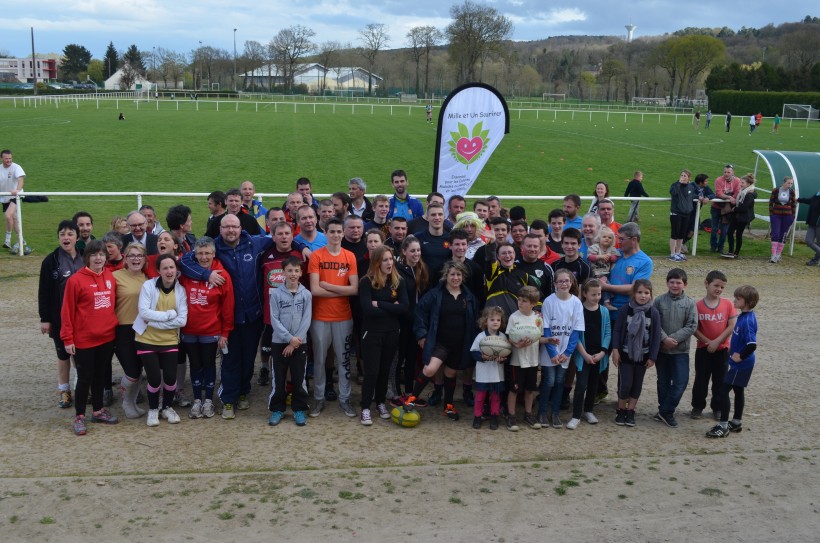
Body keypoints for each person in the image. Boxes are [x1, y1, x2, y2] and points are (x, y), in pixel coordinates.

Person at [179, 213, 275, 419]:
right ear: (220, 229)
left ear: (241, 228)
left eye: (234, 226)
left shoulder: (255, 243)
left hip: (253, 315)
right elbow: (185, 262)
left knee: (249, 358)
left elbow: (281, 238)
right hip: (228, 318)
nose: (230, 230)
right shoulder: (213, 247)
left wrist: (302, 247)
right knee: (230, 359)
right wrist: (206, 274)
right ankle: (228, 399)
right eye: (226, 227)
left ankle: (243, 392)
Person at [407, 260, 479, 422]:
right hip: (439, 342)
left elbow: (475, 320)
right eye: (452, 274)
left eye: (458, 274)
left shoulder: (469, 297)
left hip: (459, 343)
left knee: (451, 373)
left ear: (463, 277)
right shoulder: (435, 294)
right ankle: (411, 399)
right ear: (446, 276)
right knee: (431, 369)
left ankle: (448, 405)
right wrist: (422, 335)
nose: (455, 277)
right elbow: (420, 313)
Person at [60, 240, 119, 435]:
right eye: (94, 254)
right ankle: (79, 416)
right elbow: (67, 312)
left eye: (102, 254)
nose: (98, 258)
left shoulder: (110, 276)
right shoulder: (75, 280)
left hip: (107, 337)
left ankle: (98, 410)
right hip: (84, 339)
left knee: (100, 375)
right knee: (85, 378)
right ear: (87, 257)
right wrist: (67, 339)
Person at [308, 218, 359, 418]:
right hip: (320, 316)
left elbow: (354, 289)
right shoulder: (316, 256)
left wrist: (328, 286)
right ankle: (319, 398)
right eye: (332, 232)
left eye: (339, 231)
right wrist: (342, 291)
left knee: (344, 359)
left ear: (343, 233)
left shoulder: (350, 256)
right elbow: (314, 290)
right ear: (325, 233)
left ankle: (345, 398)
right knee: (320, 359)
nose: (336, 235)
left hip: (343, 317)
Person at [179, 237, 234, 419]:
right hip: (189, 330)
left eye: (207, 253)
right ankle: (197, 400)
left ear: (214, 254)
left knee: (209, 364)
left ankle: (209, 400)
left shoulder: (222, 275)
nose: (203, 257)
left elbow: (227, 306)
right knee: (194, 365)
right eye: (200, 253)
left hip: (211, 331)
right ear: (194, 254)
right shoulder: (187, 274)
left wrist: (225, 332)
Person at [358, 246, 408, 425]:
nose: (389, 263)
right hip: (372, 333)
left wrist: (380, 303)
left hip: (392, 332)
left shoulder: (398, 281)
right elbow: (368, 310)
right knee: (372, 372)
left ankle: (380, 402)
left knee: (385, 371)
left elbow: (404, 307)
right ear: (377, 262)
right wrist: (391, 306)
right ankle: (365, 407)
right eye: (385, 260)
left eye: (391, 259)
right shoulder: (366, 281)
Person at [136, 254, 188, 427]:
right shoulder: (148, 286)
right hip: (146, 339)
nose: (169, 271)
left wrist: (155, 322)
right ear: (158, 271)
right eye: (165, 268)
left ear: (176, 270)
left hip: (169, 341)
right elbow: (143, 312)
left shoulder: (180, 290)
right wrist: (168, 315)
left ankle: (166, 407)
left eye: (172, 267)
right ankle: (153, 409)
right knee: (155, 378)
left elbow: (182, 320)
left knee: (171, 378)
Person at [38, 220, 85, 409]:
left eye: (70, 234)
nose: (66, 238)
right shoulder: (51, 261)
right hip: (60, 318)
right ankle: (64, 390)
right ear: (58, 237)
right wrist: (45, 318)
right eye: (62, 234)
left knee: (81, 354)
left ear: (76, 237)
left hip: (82, 317)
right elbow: (44, 291)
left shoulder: (85, 257)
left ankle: (81, 385)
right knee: (63, 354)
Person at [706, 285, 758, 438]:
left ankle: (723, 426)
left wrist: (740, 356)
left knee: (722, 392)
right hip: (741, 364)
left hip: (741, 365)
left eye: (738, 299)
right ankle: (736, 422)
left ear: (747, 302)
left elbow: (752, 344)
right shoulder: (743, 315)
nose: (734, 300)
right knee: (738, 390)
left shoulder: (747, 320)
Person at [259, 221, 306, 387]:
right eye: (280, 234)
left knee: (294, 351)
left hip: (295, 315)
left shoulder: (301, 257)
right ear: (273, 237)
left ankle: (293, 386)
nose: (284, 237)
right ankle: (277, 384)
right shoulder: (265, 255)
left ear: (293, 236)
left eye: (287, 233)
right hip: (271, 315)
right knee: (275, 352)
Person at [267, 256, 312, 427]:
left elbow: (307, 320)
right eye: (289, 271)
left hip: (300, 343)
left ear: (301, 273)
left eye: (296, 271)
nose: (293, 274)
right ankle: (277, 409)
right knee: (279, 379)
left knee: (299, 378)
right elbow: (274, 320)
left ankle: (299, 408)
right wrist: (288, 339)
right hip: (279, 343)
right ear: (283, 272)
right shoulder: (276, 294)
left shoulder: (306, 294)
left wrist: (294, 342)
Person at [611, 279, 661, 427]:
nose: (643, 296)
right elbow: (617, 330)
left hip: (643, 355)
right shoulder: (625, 310)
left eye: (646, 293)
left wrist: (653, 356)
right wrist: (615, 350)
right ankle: (621, 409)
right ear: (633, 293)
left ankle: (631, 410)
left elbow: (656, 335)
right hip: (625, 353)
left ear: (651, 294)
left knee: (637, 384)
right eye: (639, 292)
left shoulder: (653, 312)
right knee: (625, 383)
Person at [539, 269, 584, 429]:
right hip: (550, 351)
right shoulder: (549, 301)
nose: (564, 283)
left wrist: (567, 352)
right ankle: (543, 412)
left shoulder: (576, 303)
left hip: (565, 350)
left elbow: (576, 331)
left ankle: (555, 413)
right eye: (560, 281)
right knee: (549, 381)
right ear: (555, 284)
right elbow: (546, 329)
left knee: (560, 381)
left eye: (567, 281)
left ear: (571, 282)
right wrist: (553, 353)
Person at [652, 268, 697, 428]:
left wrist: (675, 339)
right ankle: (664, 411)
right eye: (672, 282)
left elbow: (692, 325)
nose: (675, 285)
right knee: (663, 381)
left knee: (681, 381)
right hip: (662, 349)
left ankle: (665, 410)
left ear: (685, 284)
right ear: (667, 283)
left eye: (678, 282)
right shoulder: (659, 301)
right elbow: (654, 322)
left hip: (680, 350)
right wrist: (664, 339)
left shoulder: (690, 303)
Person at [691, 270, 737, 420]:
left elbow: (731, 325)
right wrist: (707, 342)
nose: (719, 289)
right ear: (706, 284)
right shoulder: (697, 306)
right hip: (703, 349)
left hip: (722, 349)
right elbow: (694, 328)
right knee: (701, 380)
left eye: (722, 287)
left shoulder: (728, 304)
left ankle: (717, 407)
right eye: (716, 285)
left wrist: (717, 341)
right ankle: (697, 406)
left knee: (720, 380)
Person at [111, 242, 149, 419]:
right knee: (132, 371)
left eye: (139, 256)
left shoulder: (147, 278)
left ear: (144, 259)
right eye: (131, 255)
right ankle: (126, 402)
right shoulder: (115, 277)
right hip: (122, 329)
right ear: (125, 258)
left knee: (139, 369)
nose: (135, 259)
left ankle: (132, 402)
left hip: (143, 329)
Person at [566, 278, 610, 430]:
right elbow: (575, 335)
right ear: (584, 294)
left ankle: (588, 410)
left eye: (599, 294)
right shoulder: (579, 311)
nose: (597, 297)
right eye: (593, 294)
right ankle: (576, 415)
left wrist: (603, 352)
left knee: (593, 384)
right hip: (583, 355)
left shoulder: (604, 311)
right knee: (581, 386)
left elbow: (607, 333)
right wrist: (584, 354)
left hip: (598, 355)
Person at [502, 286, 544, 431]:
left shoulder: (538, 318)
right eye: (519, 299)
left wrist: (549, 340)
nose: (520, 303)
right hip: (517, 361)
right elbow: (509, 337)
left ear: (533, 304)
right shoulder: (514, 317)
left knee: (530, 390)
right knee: (514, 389)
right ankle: (511, 415)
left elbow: (539, 337)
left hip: (532, 360)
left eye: (524, 301)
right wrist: (517, 344)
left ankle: (528, 414)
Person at [393, 235, 429, 402]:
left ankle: (409, 392)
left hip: (416, 322)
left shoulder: (422, 268)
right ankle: (395, 392)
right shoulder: (398, 270)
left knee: (411, 358)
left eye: (418, 250)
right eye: (412, 250)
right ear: (404, 252)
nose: (416, 254)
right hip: (401, 321)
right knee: (398, 358)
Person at [469, 306, 508, 430]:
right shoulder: (480, 337)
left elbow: (507, 353)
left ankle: (494, 417)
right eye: (492, 319)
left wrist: (503, 359)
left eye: (498, 320)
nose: (495, 322)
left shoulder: (502, 337)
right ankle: (477, 416)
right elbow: (473, 352)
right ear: (485, 321)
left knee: (496, 397)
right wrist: (483, 357)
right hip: (483, 373)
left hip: (497, 373)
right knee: (480, 397)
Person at [722, 174, 757, 259]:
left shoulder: (749, 194)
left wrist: (735, 209)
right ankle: (731, 251)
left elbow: (744, 207)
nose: (741, 184)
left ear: (748, 184)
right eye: (741, 182)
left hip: (743, 217)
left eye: (743, 183)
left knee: (738, 234)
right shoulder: (743, 192)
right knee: (730, 232)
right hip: (737, 216)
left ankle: (736, 252)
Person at [1, 150, 29, 254]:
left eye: (10, 158)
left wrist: (17, 190)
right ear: (2, 158)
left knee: (8, 216)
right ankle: (21, 239)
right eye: (6, 158)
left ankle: (7, 240)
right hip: (4, 197)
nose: (8, 160)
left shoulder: (16, 167)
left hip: (16, 195)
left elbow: (20, 180)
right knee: (14, 218)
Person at [414, 202, 451, 279]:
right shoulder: (418, 238)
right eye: (433, 215)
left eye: (440, 214)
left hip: (445, 284)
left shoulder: (451, 238)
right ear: (427, 217)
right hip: (425, 284)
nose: (437, 217)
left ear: (444, 217)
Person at [586, 226, 619, 308]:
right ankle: (606, 303)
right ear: (599, 238)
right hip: (595, 272)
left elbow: (616, 257)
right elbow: (590, 257)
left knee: (606, 285)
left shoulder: (612, 249)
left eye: (610, 237)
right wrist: (600, 257)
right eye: (604, 237)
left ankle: (603, 303)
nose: (607, 239)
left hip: (606, 273)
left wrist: (611, 257)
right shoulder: (595, 247)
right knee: (605, 284)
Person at [711, 165, 741, 254]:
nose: (726, 174)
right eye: (725, 172)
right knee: (714, 228)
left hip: (727, 210)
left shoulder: (737, 181)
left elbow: (737, 192)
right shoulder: (718, 180)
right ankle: (713, 246)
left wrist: (730, 197)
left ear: (732, 173)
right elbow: (719, 193)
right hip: (716, 207)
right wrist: (729, 197)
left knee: (724, 230)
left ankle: (721, 247)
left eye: (728, 172)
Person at [668, 169, 696, 262]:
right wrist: (679, 184)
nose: (683, 177)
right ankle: (672, 254)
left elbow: (693, 196)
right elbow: (673, 192)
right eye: (682, 175)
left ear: (689, 178)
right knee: (674, 234)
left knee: (681, 235)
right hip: (676, 213)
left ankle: (678, 252)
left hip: (686, 214)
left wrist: (701, 197)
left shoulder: (691, 187)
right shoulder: (675, 185)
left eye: (685, 176)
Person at [768, 176, 796, 263]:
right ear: (783, 183)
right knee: (775, 233)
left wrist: (793, 216)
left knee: (783, 235)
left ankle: (778, 254)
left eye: (791, 183)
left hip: (787, 216)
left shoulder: (792, 192)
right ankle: (773, 254)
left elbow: (793, 204)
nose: (790, 185)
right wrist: (771, 214)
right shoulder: (776, 190)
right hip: (776, 215)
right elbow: (771, 202)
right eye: (788, 183)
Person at [797, 188, 820, 266]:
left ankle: (815, 260)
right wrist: (799, 199)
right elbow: (810, 201)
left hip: (819, 224)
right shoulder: (817, 194)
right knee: (808, 241)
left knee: (819, 243)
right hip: (812, 223)